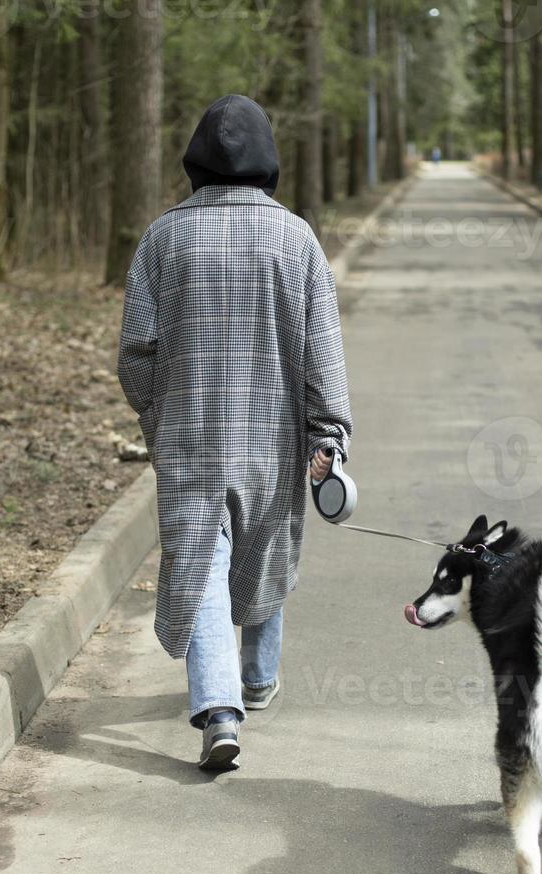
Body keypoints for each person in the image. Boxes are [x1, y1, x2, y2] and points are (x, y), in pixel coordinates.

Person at [117, 94, 353, 772]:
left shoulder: (164, 238)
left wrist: (159, 421)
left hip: (189, 441)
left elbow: (137, 353)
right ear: (267, 163)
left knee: (202, 565)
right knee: (265, 551)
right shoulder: (296, 239)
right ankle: (253, 680)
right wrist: (327, 436)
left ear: (196, 164)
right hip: (272, 442)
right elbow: (322, 353)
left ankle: (223, 708)